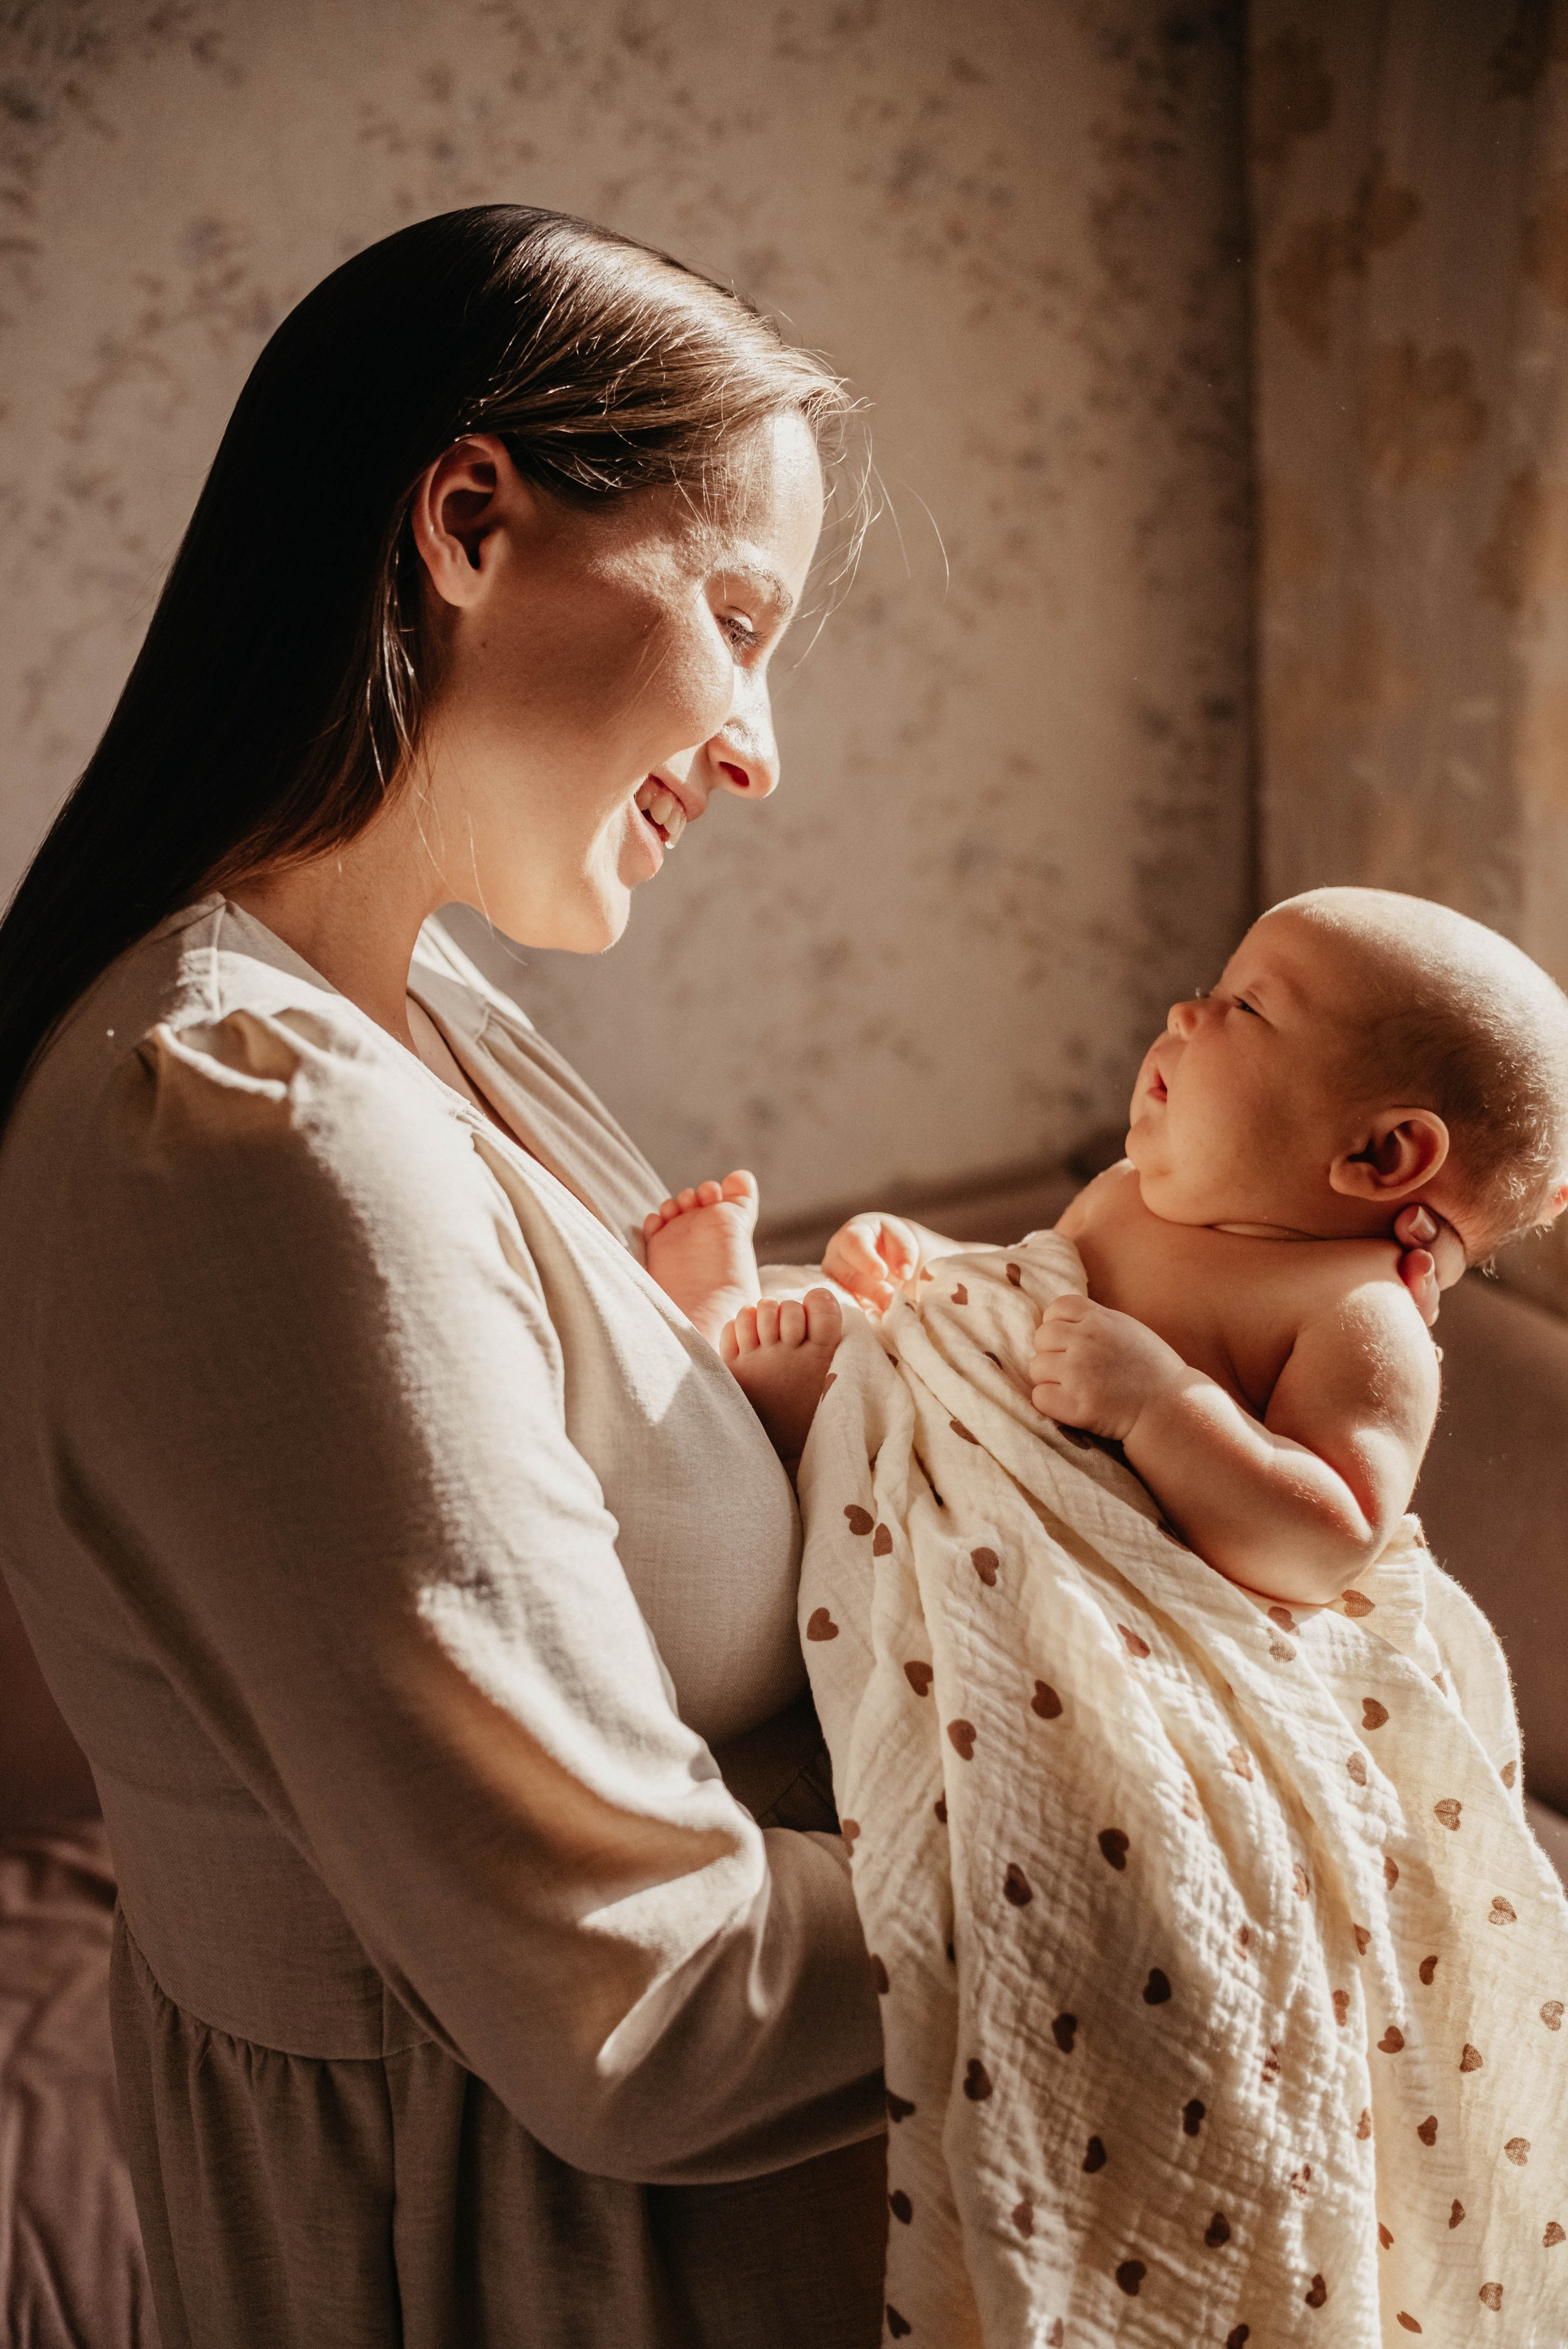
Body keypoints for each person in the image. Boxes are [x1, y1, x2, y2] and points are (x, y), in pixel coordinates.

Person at [0, 205, 891, 2349]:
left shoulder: (418, 1017)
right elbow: (641, 2001)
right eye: (738, 616)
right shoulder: (246, 1129)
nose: (761, 749)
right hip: (539, 2266)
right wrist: (1179, 1836)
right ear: (471, 517)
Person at [644, 887, 1552, 1594]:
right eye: (1211, 990)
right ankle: (724, 1328)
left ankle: (749, 1371)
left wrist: (1160, 1407)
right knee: (840, 1328)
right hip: (952, 1417)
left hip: (1040, 1538)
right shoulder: (1130, 1191)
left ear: (1382, 1153)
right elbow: (1024, 1287)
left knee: (834, 1404)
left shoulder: (1355, 1313)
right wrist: (921, 1253)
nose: (1186, 1014)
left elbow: (1330, 1541)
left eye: (1247, 1008)